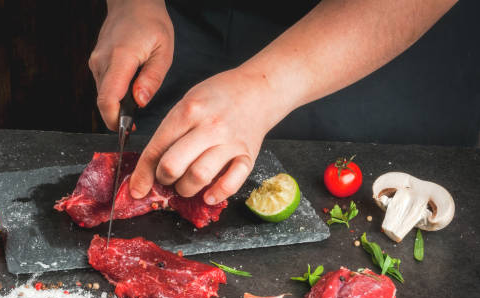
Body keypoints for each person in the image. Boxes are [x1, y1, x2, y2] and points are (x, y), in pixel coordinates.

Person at [88, 0, 458, 206]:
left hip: (374, 41)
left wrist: (265, 87)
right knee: (165, 175)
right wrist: (131, 4)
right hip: (191, 24)